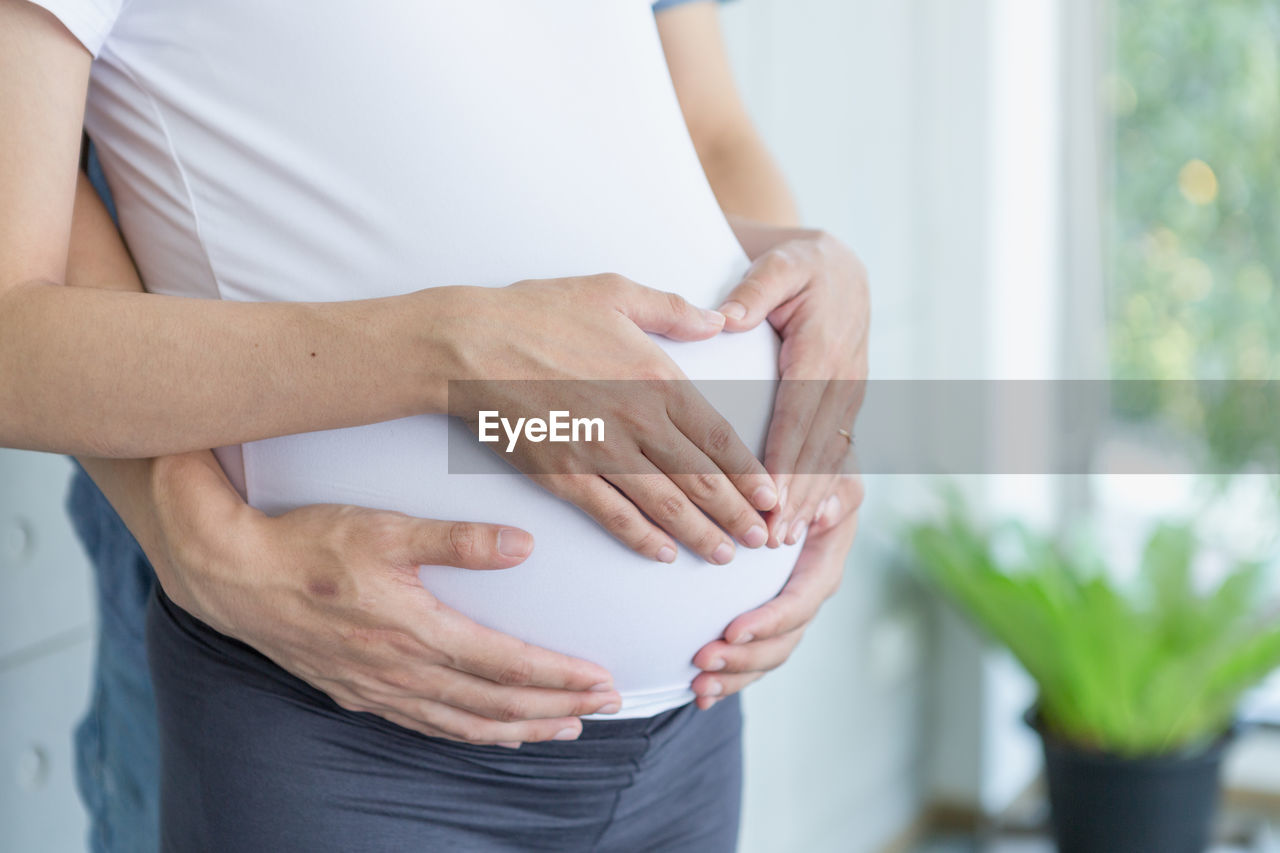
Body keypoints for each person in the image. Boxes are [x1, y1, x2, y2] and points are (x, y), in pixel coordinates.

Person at [2, 0, 869, 849]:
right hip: (343, 720)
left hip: (695, 719)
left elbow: (703, 133)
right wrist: (439, 354)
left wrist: (802, 354)